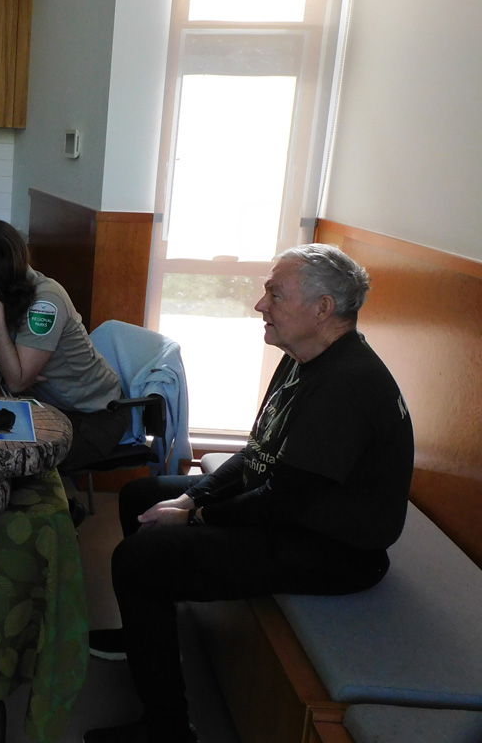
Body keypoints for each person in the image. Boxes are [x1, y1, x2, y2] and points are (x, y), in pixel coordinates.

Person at [82, 244, 415, 743]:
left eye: (275, 295)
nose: (260, 305)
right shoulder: (304, 358)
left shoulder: (348, 386)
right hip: (295, 512)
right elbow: (257, 453)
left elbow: (281, 501)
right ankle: (145, 634)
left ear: (322, 309)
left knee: (138, 560)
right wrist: (192, 499)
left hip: (334, 550)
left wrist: (193, 519)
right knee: (141, 496)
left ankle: (167, 729)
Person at [0, 216, 130, 471]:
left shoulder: (45, 303)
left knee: (3, 460)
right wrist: (18, 369)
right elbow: (17, 375)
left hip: (92, 419)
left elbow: (16, 381)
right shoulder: (6, 290)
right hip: (49, 405)